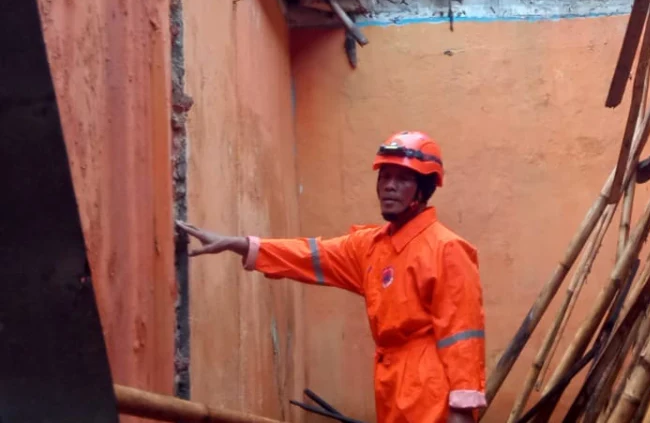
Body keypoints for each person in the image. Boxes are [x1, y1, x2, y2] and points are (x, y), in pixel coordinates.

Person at [177, 131, 486, 423]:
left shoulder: (445, 248)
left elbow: (463, 337)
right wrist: (239, 244)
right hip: (391, 382)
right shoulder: (372, 247)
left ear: (424, 188)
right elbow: (311, 254)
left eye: (403, 179)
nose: (389, 186)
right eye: (385, 177)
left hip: (431, 387)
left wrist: (462, 409)